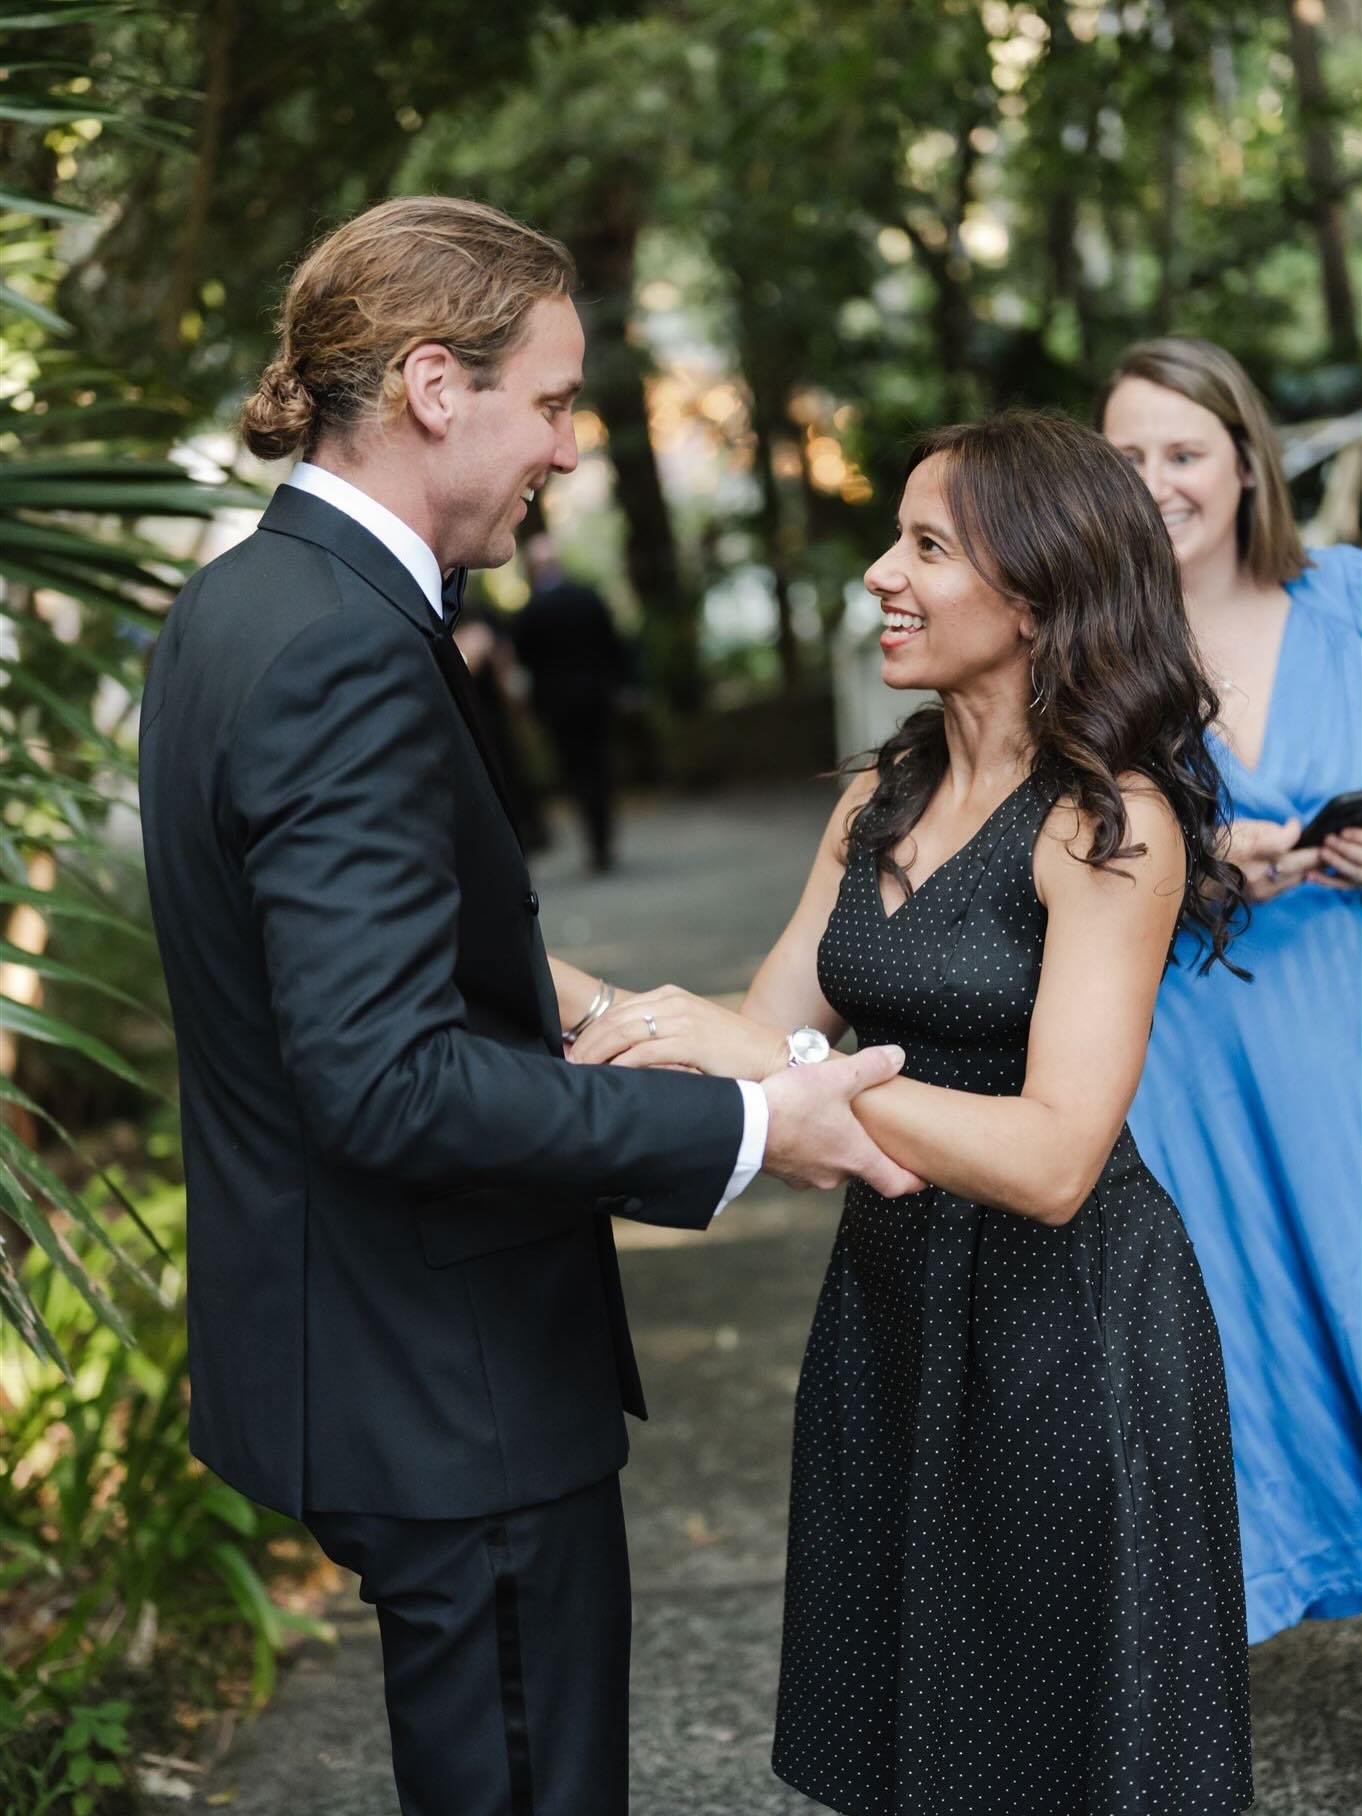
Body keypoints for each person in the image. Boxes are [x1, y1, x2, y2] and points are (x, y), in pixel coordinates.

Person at [136, 195, 922, 1816]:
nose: (567, 446)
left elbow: (392, 966)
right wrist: (754, 1123)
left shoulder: (240, 604)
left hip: (366, 1348)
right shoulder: (339, 645)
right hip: (451, 1381)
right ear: (436, 384)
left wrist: (619, 1013)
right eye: (554, 401)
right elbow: (384, 1077)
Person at [570, 411, 1254, 1814]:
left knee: (1060, 1742)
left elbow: (1060, 1156)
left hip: (1071, 1330)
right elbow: (765, 1041)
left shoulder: (1106, 824)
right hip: (887, 1313)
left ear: (1037, 593)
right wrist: (555, 985)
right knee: (913, 1734)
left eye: (925, 546)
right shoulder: (878, 797)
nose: (880, 572)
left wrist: (803, 1080)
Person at [1100, 335, 1362, 1644]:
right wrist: (1192, 865)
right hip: (1195, 1060)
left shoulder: (1353, 603)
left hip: (1349, 1036)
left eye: (1182, 451)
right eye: (1127, 455)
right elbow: (1047, 846)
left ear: (1244, 464)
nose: (1156, 481)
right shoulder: (1091, 657)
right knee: (1250, 1348)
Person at [510, 533, 629, 871]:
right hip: (595, 698)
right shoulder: (587, 597)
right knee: (600, 765)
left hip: (557, 705)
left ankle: (594, 842)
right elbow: (613, 644)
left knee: (576, 770)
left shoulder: (531, 612)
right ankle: (603, 838)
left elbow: (524, 658)